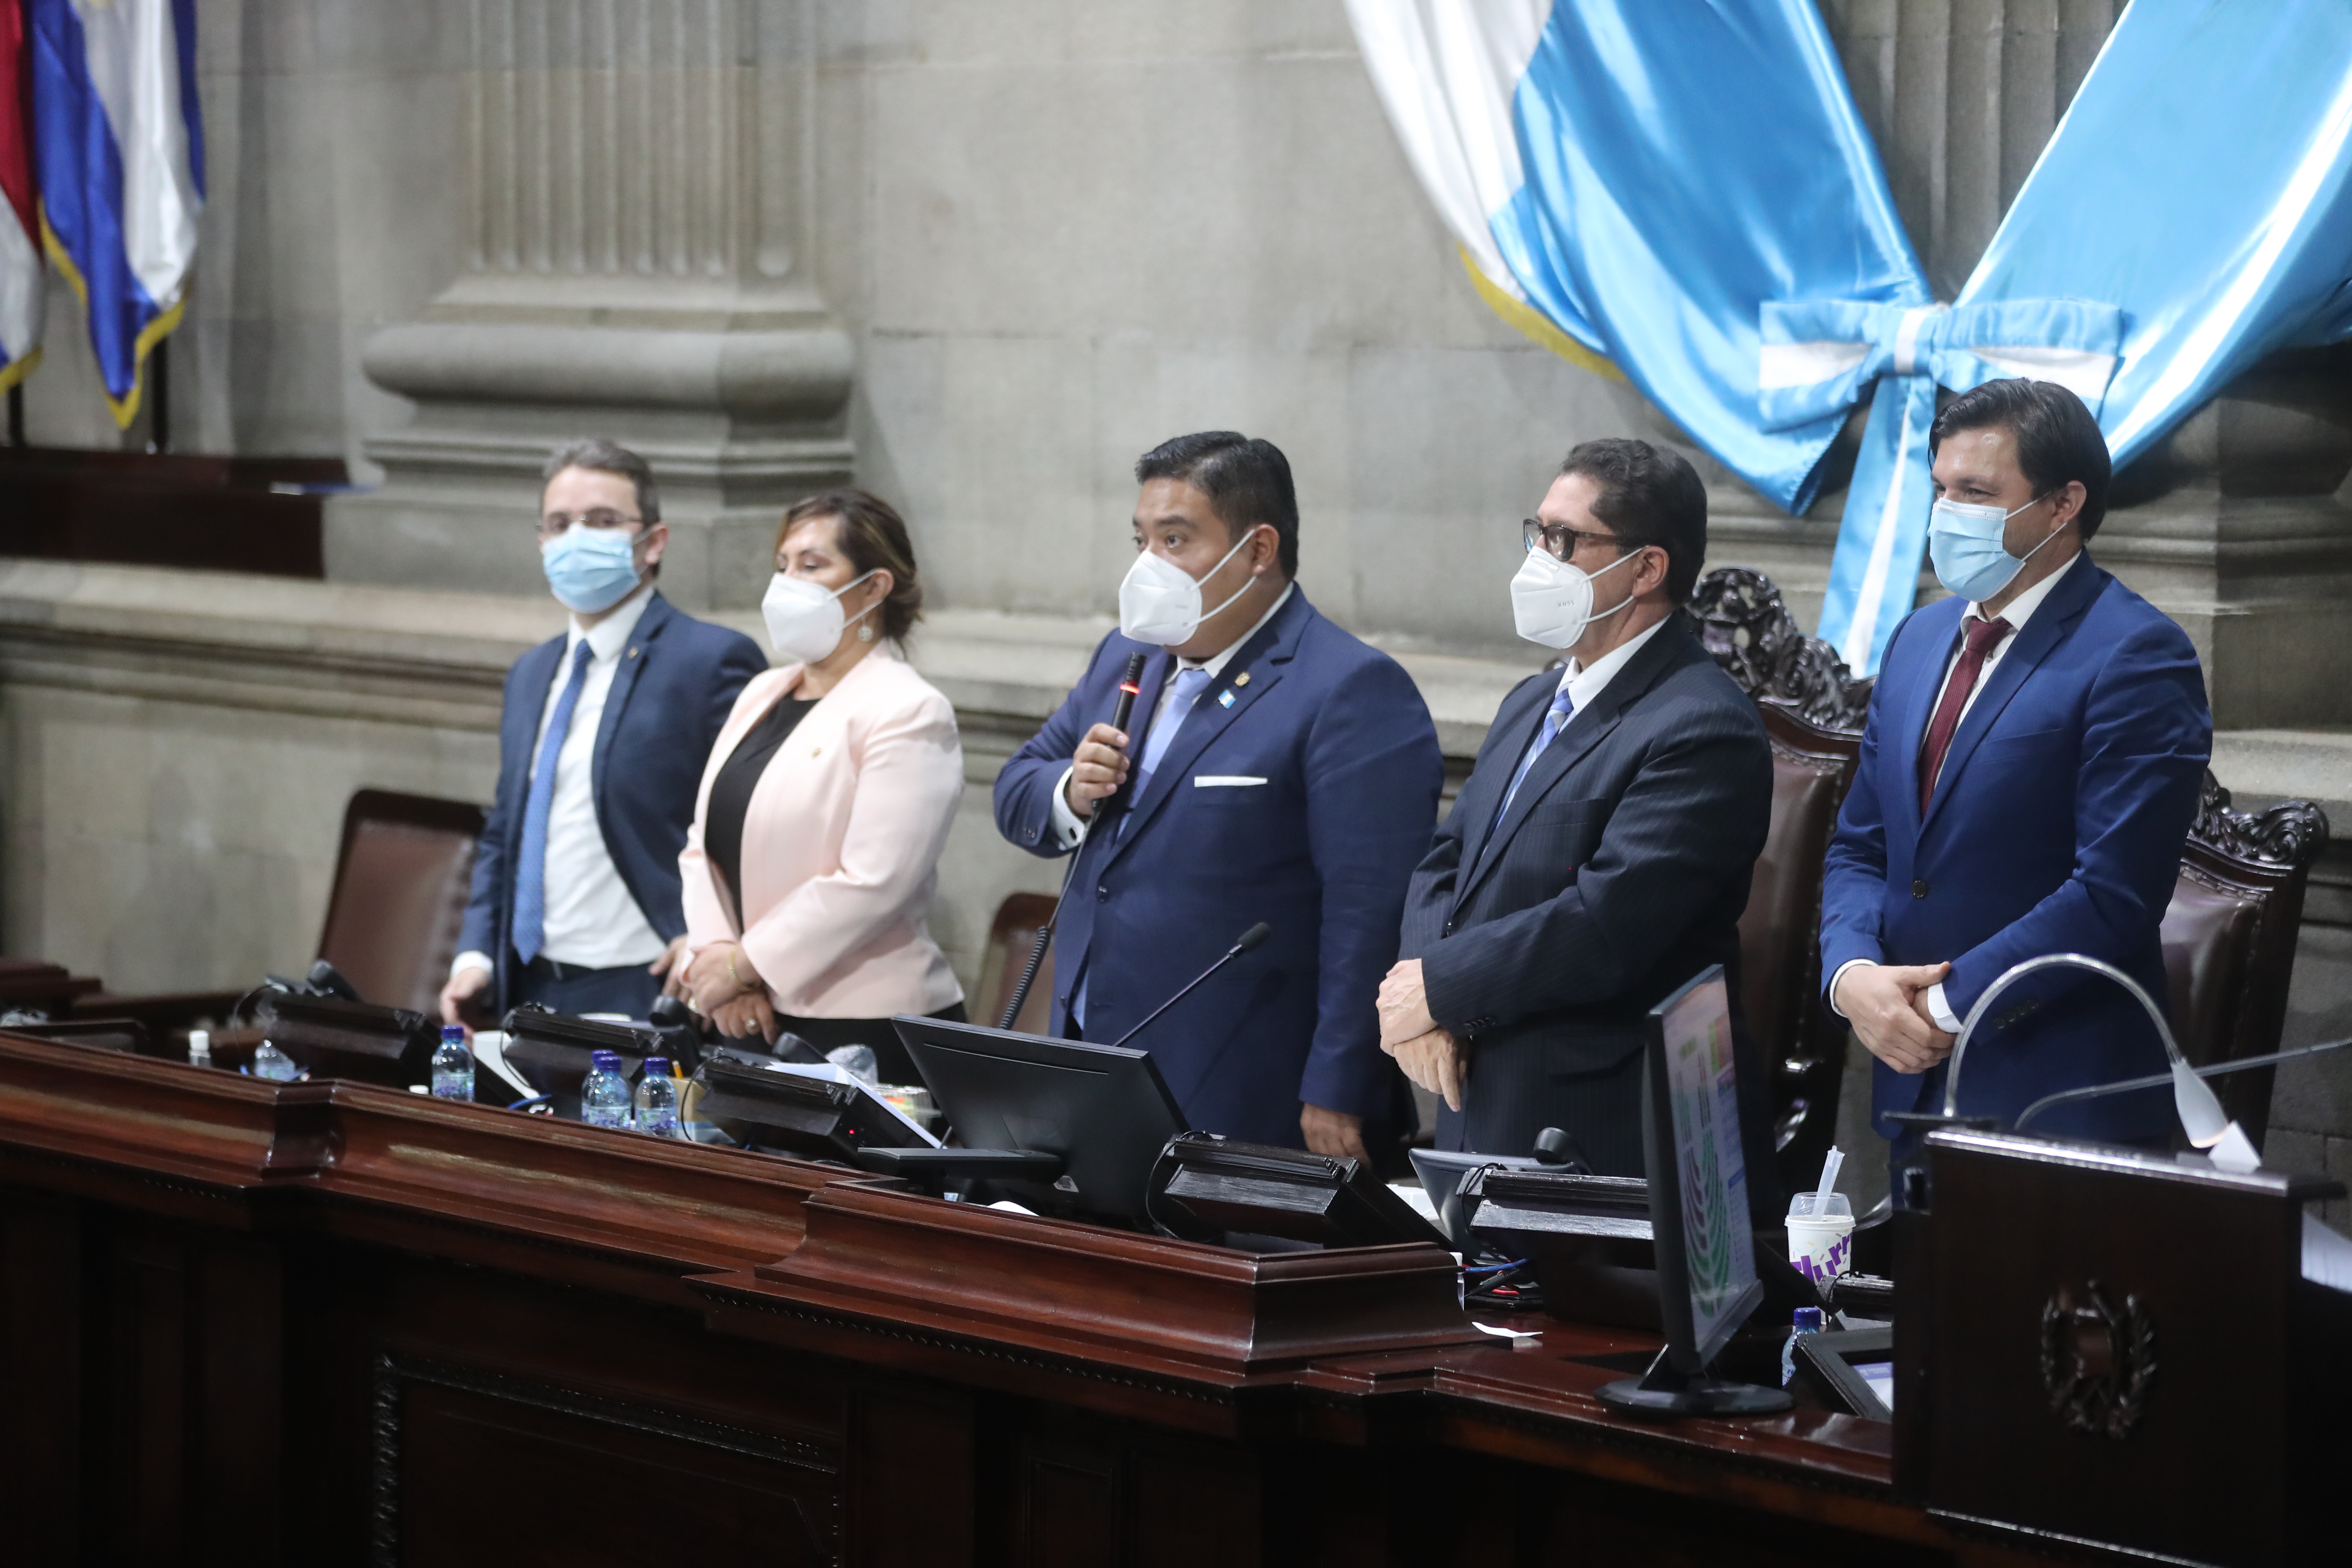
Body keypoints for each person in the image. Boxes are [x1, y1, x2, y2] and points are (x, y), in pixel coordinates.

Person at [994, 432, 1443, 1158]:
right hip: (1097, 1052)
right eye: (1141, 539)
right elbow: (1017, 788)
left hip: (1245, 1075)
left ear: (1258, 551)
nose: (1149, 566)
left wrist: (1340, 1086)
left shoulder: (1349, 689)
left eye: (1176, 539)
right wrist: (1071, 791)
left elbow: (1371, 913)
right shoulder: (1126, 654)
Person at [1820, 378, 2211, 1171]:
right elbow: (1862, 846)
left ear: (2063, 505)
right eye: (1940, 489)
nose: (1946, 514)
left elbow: (2112, 894)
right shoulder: (1921, 637)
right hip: (1913, 1087)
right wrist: (1853, 974)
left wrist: (1938, 1006)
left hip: (2059, 1099)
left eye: (1975, 492)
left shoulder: (2136, 654)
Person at [1379, 438, 1776, 1186]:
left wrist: (1440, 989)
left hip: (1599, 1127)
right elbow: (1445, 862)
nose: (1541, 558)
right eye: (1539, 532)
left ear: (1647, 568)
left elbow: (1604, 927)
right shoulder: (1533, 698)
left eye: (1566, 540)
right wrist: (1424, 991)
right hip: (1478, 1088)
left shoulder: (1701, 725)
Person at [442, 439, 767, 1025]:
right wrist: (474, 957)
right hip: (529, 984)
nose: (576, 539)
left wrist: (712, 934)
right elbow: (505, 832)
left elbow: (758, 827)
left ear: (654, 542)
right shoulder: (531, 672)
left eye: (602, 521)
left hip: (648, 984)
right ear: (541, 541)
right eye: (560, 524)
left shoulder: (710, 661)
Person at [674, 490, 966, 1085]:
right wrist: (717, 964)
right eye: (783, 566)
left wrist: (747, 963)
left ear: (874, 588)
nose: (787, 583)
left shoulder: (909, 709)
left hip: (860, 1020)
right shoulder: (764, 692)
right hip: (747, 1014)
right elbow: (702, 842)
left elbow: (874, 878)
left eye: (812, 565)